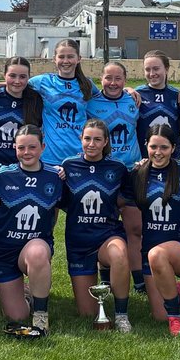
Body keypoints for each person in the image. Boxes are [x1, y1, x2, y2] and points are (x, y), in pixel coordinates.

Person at [61, 119, 133, 333]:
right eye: (87, 139)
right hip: (79, 242)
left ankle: (121, 315)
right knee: (87, 313)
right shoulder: (67, 166)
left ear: (106, 142)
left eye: (97, 139)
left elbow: (126, 197)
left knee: (119, 254)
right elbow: (61, 201)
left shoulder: (118, 168)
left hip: (107, 235)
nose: (91, 144)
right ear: (80, 139)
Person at [0, 124, 62, 332]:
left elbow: (60, 207)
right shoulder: (1, 175)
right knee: (17, 316)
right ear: (15, 148)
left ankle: (40, 314)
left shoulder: (56, 176)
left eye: (32, 147)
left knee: (37, 252)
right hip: (3, 252)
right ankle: (24, 292)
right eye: (21, 147)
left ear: (43, 147)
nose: (26, 152)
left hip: (34, 247)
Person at [130, 126, 180, 336]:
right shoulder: (137, 174)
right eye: (153, 147)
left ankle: (175, 318)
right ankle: (173, 289)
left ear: (173, 148)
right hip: (150, 251)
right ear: (146, 146)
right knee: (158, 315)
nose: (158, 152)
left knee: (158, 254)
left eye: (164, 147)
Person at [86, 61, 145, 292]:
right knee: (104, 226)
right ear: (100, 79)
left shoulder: (133, 100)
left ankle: (138, 278)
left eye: (118, 78)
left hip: (131, 172)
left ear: (125, 80)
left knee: (135, 227)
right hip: (104, 172)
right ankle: (105, 276)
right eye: (108, 78)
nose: (113, 83)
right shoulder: (91, 102)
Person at [24, 39, 98, 164]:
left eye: (70, 56)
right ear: (54, 59)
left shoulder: (87, 84)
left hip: (80, 155)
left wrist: (128, 90)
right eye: (61, 57)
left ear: (79, 59)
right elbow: (17, 84)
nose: (66, 61)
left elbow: (107, 96)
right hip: (50, 156)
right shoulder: (43, 81)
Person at [0, 56, 43, 166]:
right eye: (12, 76)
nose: (17, 81)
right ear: (4, 75)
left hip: (21, 167)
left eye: (22, 77)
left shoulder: (36, 100)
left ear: (29, 78)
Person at [136, 51, 180, 158]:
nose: (152, 73)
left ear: (166, 69)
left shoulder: (178, 95)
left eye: (156, 69)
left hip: (173, 157)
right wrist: (127, 89)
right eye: (147, 69)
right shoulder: (136, 94)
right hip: (145, 157)